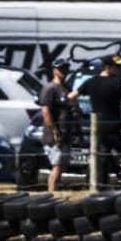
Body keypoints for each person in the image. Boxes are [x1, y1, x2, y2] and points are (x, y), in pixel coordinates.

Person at [68, 54, 121, 185]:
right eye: (116, 67)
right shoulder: (117, 82)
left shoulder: (92, 81)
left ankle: (100, 181)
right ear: (107, 67)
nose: (118, 69)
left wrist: (77, 109)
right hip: (114, 125)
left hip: (97, 125)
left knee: (101, 153)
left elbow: (71, 96)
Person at [39, 58, 74, 192]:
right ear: (54, 70)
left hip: (66, 133)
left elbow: (71, 110)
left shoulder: (67, 88)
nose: (64, 70)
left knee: (63, 165)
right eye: (61, 68)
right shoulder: (50, 88)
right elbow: (46, 111)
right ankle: (51, 193)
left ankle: (55, 190)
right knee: (57, 165)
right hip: (55, 135)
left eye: (65, 68)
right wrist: (54, 131)